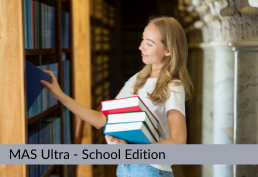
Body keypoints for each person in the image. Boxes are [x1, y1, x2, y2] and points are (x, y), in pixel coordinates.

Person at [41, 16, 192, 177]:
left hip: (151, 170)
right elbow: (102, 119)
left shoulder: (173, 86)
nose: (141, 47)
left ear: (168, 50)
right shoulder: (137, 80)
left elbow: (178, 142)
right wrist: (60, 95)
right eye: (142, 40)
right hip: (125, 168)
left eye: (149, 43)